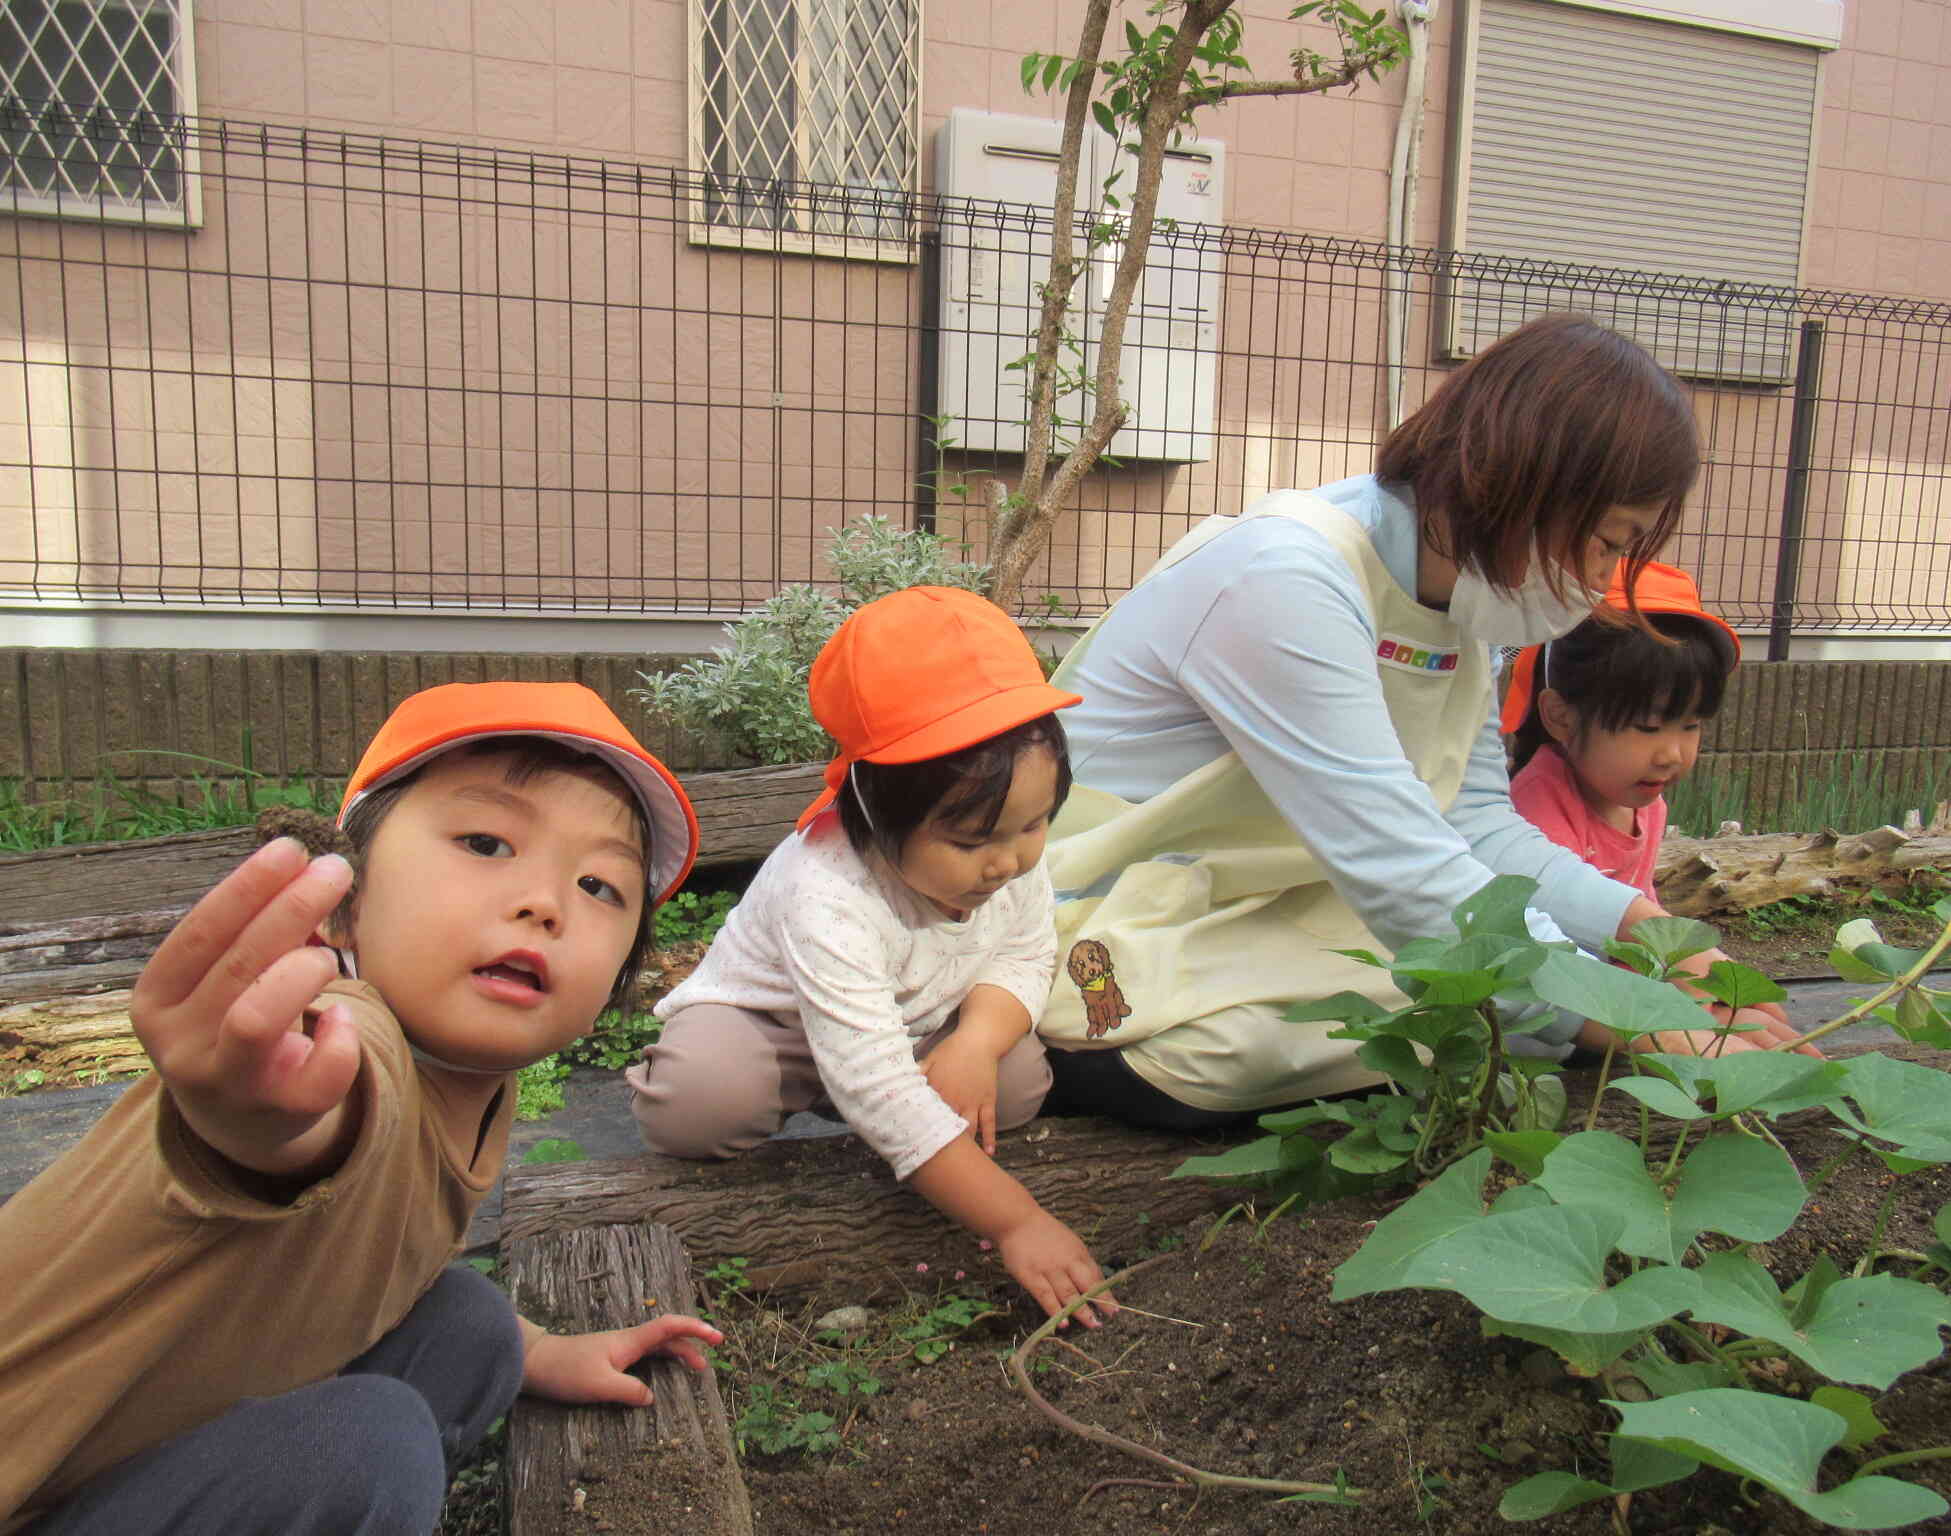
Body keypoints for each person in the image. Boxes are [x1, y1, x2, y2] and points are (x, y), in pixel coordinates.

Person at [1036, 313, 1813, 1133]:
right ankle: (1060, 1046)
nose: (1601, 578)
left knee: (1491, 1000)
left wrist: (1657, 937)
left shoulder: (1472, 601)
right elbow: (1398, 861)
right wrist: (1633, 1015)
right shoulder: (1288, 578)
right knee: (1260, 1048)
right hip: (1112, 899)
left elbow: (1475, 826)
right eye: (1605, 542)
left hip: (1262, 897)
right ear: (1527, 488)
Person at [0, 682, 725, 1536]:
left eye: (601, 886)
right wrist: (256, 1122)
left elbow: (382, 1259)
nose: (546, 902)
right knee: (361, 1449)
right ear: (344, 900)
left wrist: (551, 1353)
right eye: (487, 841)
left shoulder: (477, 1085)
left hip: (138, 1458)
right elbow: (319, 1119)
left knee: (472, 1323)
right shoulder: (337, 1038)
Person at [629, 586, 1116, 1328]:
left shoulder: (1009, 856)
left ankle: (931, 1114)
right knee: (702, 1104)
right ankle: (755, 1087)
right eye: (970, 841)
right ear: (878, 813)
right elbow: (877, 1084)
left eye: (1035, 824)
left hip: (917, 1022)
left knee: (1014, 1086)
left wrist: (978, 1043)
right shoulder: (824, 890)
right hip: (776, 1029)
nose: (1007, 862)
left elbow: (1023, 955)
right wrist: (1017, 1222)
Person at [1503, 558, 1738, 906]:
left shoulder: (1647, 805)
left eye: (1691, 725)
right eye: (1648, 727)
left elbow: (1643, 907)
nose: (1672, 755)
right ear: (1561, 717)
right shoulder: (1538, 811)